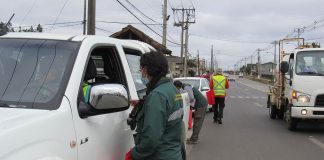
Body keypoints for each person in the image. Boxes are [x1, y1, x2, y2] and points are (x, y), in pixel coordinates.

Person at [125, 51, 183, 160]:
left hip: (159, 156)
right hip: (173, 154)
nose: (141, 73)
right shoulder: (173, 90)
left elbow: (151, 138)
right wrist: (145, 105)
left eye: (140, 69)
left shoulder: (157, 95)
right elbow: (169, 117)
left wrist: (134, 154)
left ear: (146, 70)